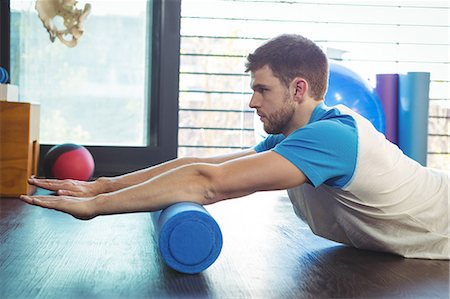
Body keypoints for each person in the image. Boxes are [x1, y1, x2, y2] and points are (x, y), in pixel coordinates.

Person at [20, 34, 449, 260]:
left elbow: (210, 184)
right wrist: (102, 186)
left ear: (299, 89)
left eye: (262, 89)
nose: (252, 101)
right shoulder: (291, 139)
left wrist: (96, 209)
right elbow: (199, 163)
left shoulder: (331, 137)